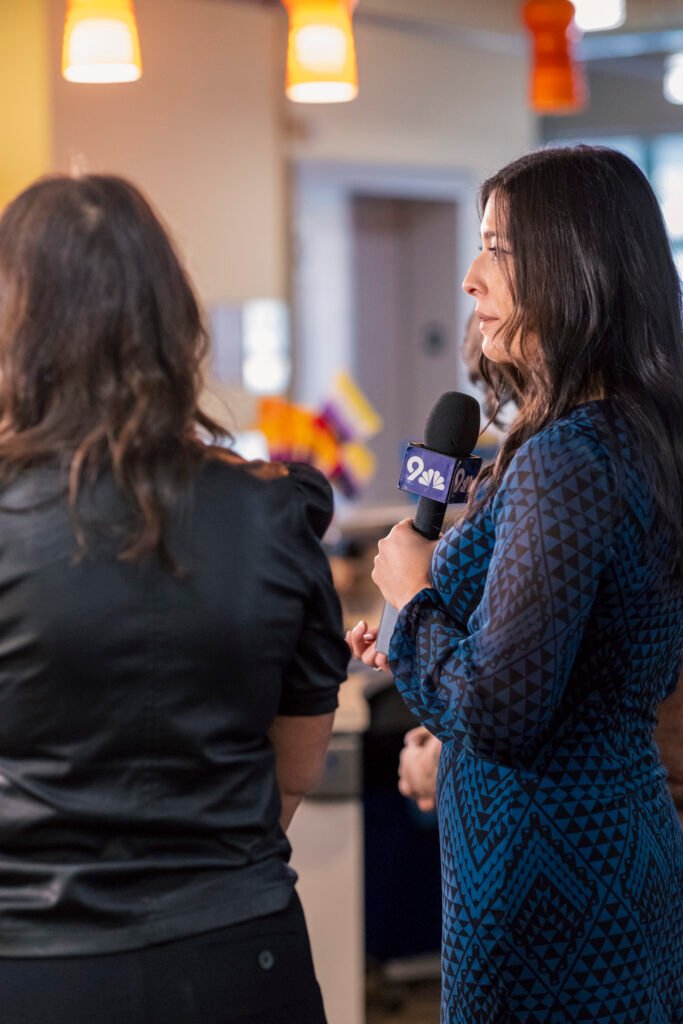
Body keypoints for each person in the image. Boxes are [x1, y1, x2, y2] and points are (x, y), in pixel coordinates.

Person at [0, 174, 349, 1024]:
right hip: (241, 958)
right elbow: (297, 767)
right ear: (170, 318)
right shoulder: (274, 509)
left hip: (38, 968)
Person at [348, 145, 683, 1023]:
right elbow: (569, 643)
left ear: (575, 266)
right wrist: (423, 625)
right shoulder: (624, 434)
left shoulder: (568, 458)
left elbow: (499, 710)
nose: (468, 277)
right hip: (603, 847)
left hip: (547, 869)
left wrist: (416, 597)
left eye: (496, 248)